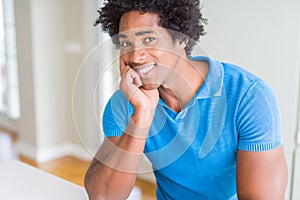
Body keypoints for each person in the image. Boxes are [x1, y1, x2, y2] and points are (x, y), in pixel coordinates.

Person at [84, 0, 288, 199]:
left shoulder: (249, 96)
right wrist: (142, 116)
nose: (135, 57)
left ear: (181, 38)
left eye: (148, 40)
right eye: (126, 43)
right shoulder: (125, 103)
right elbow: (102, 195)